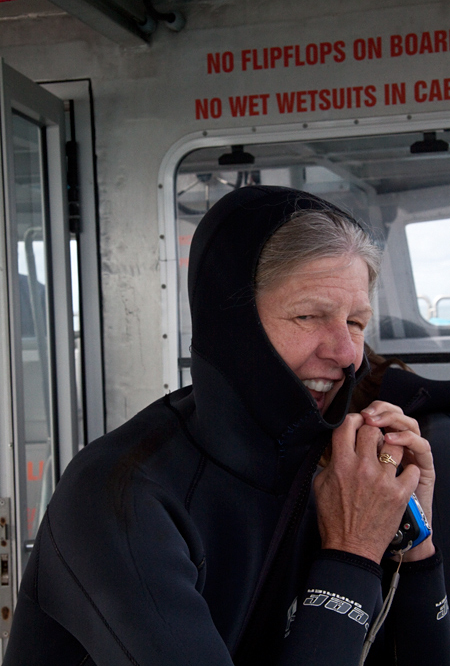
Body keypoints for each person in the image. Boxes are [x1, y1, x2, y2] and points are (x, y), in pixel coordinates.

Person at [4, 186, 450, 665]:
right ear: (234, 326)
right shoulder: (119, 496)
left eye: (356, 323)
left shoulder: (330, 471)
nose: (345, 353)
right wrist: (353, 551)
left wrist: (411, 541)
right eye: (309, 316)